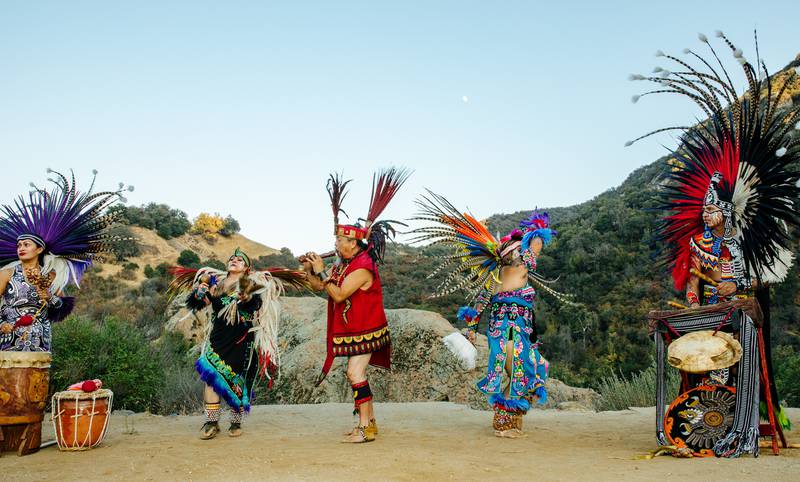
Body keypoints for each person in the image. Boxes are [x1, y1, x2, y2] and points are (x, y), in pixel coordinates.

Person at [628, 31, 800, 440]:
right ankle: (701, 415)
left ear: (726, 212)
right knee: (700, 359)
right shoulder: (697, 242)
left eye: (713, 209)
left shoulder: (740, 243)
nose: (707, 214)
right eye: (703, 209)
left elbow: (744, 280)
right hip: (705, 309)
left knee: (733, 359)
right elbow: (691, 277)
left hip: (735, 308)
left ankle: (740, 415)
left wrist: (733, 290)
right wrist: (691, 300)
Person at [409, 193, 569, 437]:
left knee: (534, 371)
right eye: (517, 250)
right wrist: (538, 227)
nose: (524, 252)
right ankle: (503, 423)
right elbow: (536, 243)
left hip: (517, 332)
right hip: (509, 332)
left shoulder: (497, 279)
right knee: (521, 374)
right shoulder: (519, 269)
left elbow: (478, 308)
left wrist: (471, 331)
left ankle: (511, 418)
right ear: (511, 256)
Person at [302, 168, 410, 443]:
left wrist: (322, 271)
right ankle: (370, 424)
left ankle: (364, 429)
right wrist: (310, 271)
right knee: (356, 373)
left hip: (369, 329)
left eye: (340, 239)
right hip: (358, 329)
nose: (336, 243)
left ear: (354, 242)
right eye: (337, 239)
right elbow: (320, 288)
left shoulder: (364, 267)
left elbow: (338, 296)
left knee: (354, 372)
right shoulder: (345, 264)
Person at [169, 248, 304, 439]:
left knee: (238, 382)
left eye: (239, 260)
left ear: (246, 268)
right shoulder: (217, 284)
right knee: (210, 379)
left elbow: (255, 305)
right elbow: (201, 304)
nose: (234, 260)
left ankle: (235, 422)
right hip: (217, 340)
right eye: (231, 258)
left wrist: (246, 297)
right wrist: (199, 294)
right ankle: (211, 423)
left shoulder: (250, 284)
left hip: (241, 341)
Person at [0, 169, 130, 351]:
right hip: (7, 339)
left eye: (26, 244)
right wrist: (2, 324)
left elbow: (60, 307)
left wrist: (49, 296)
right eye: (19, 245)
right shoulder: (7, 273)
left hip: (40, 341)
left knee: (38, 380)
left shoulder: (51, 276)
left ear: (39, 249)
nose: (21, 248)